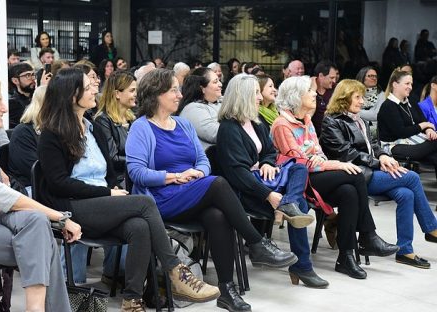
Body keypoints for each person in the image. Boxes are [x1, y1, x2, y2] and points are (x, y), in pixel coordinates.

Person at [37, 67, 220, 311]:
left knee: (139, 226)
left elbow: (109, 173)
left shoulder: (92, 129)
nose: (96, 89)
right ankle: (175, 270)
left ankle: (132, 299)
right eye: (88, 86)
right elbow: (58, 184)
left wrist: (112, 189)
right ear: (72, 95)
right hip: (71, 207)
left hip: (101, 205)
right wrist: (108, 193)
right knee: (144, 203)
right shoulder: (52, 134)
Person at [126, 69, 299, 311]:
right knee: (218, 183)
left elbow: (203, 161)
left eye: (178, 89)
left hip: (190, 193)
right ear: (155, 94)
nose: (179, 94)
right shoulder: (141, 128)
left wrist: (197, 174)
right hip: (159, 199)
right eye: (173, 90)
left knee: (218, 216)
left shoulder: (183, 124)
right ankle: (257, 243)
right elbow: (137, 172)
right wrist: (176, 176)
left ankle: (227, 291)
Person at [0, 73, 81, 312]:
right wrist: (61, 217)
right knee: (43, 244)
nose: (4, 108)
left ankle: (36, 309)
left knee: (37, 224)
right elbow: (8, 198)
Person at [272, 76, 399, 279]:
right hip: (297, 183)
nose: (315, 94)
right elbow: (299, 162)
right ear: (296, 96)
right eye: (310, 91)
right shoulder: (281, 125)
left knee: (348, 192)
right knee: (355, 175)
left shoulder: (307, 121)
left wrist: (319, 160)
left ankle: (346, 257)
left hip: (316, 174)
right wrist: (335, 164)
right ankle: (367, 236)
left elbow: (318, 153)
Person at [216, 74, 327, 288]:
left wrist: (267, 163)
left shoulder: (255, 122)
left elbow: (269, 152)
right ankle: (302, 266)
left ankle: (288, 204)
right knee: (302, 205)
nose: (261, 97)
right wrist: (268, 195)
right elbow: (238, 175)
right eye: (256, 93)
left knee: (298, 166)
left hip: (264, 179)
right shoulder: (229, 128)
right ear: (243, 96)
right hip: (247, 191)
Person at [321, 78, 437, 268]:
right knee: (412, 177)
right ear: (344, 98)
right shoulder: (331, 121)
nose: (362, 102)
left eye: (362, 97)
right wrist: (379, 162)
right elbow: (346, 153)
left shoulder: (359, 119)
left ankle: (405, 251)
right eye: (357, 97)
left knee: (407, 195)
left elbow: (374, 145)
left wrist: (383, 155)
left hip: (370, 170)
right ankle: (432, 229)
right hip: (354, 175)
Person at [377, 69, 437, 168]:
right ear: (395, 85)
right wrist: (424, 126)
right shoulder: (388, 106)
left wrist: (429, 130)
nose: (410, 87)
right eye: (407, 83)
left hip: (413, 140)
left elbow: (422, 120)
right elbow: (402, 132)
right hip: (395, 146)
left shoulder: (411, 101)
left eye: (411, 84)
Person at [95, 70, 136, 186]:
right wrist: (139, 161)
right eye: (132, 91)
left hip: (134, 174)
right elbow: (112, 158)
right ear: (117, 94)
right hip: (119, 179)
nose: (136, 94)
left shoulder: (132, 119)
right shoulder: (103, 120)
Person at [8, 85, 47, 196]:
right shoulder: (23, 133)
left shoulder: (60, 130)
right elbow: (39, 173)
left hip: (58, 186)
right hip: (33, 189)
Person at [178, 67, 223, 149]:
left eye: (219, 80)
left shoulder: (222, 101)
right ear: (202, 88)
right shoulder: (193, 109)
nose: (220, 84)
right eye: (215, 82)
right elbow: (217, 134)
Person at [355, 66, 386, 138]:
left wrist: (356, 111)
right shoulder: (355, 94)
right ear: (362, 77)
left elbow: (376, 115)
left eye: (375, 76)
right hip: (358, 131)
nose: (374, 78)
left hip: (378, 132)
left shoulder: (382, 95)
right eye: (370, 76)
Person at [311, 60, 338, 137]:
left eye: (335, 78)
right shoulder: (307, 89)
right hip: (313, 137)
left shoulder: (337, 89)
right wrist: (312, 89)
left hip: (333, 136)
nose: (334, 81)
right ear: (321, 76)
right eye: (331, 78)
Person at [8, 63, 36, 128]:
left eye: (33, 74)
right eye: (28, 75)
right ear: (15, 80)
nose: (33, 78)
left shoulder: (34, 96)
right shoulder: (13, 103)